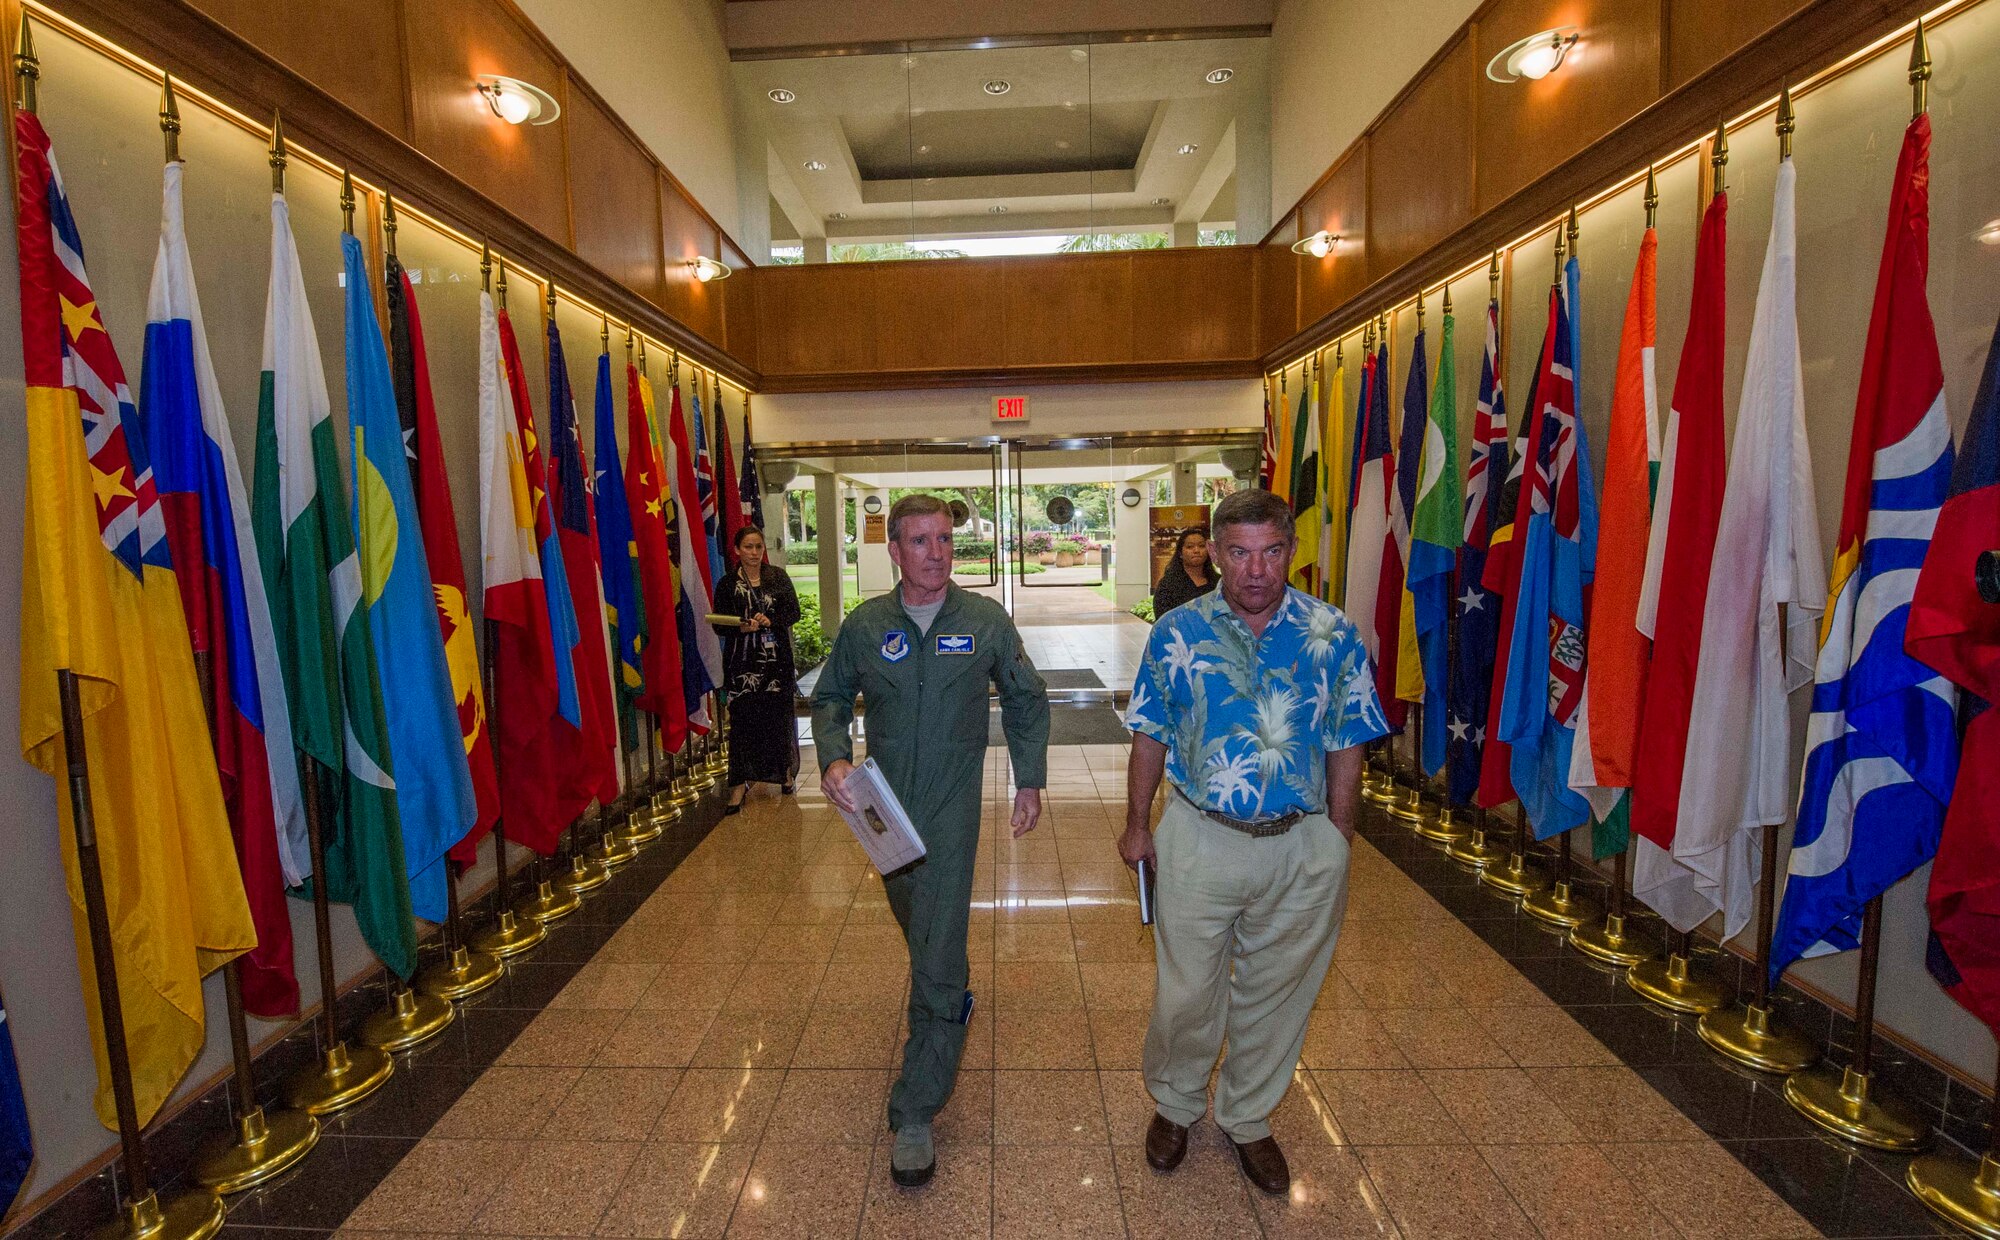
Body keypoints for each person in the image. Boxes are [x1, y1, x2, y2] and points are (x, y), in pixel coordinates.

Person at [1119, 488, 1388, 1195]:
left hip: (1299, 842)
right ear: (1215, 550)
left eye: (1270, 552)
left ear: (1289, 553)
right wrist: (1137, 824)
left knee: (1277, 994)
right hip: (1200, 837)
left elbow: (1347, 740)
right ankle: (1176, 1105)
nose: (1255, 569)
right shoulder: (1176, 631)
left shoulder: (1332, 633)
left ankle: (1247, 1116)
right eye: (1239, 552)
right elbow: (1149, 730)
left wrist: (1339, 839)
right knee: (1186, 994)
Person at [811, 493, 1050, 1189]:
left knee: (940, 948)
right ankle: (940, 997)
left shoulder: (983, 621)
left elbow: (1027, 696)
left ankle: (917, 1107)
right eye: (920, 541)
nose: (938, 553)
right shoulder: (866, 626)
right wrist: (833, 755)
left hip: (950, 808)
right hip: (883, 811)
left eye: (945, 539)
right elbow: (829, 698)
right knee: (921, 930)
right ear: (894, 551)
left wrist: (1028, 779)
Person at [713, 526, 801, 812]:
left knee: (778, 719)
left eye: (758, 547)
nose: (754, 553)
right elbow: (718, 623)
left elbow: (794, 613)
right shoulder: (727, 584)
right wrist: (741, 626)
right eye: (748, 547)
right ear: (737, 550)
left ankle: (784, 775)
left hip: (776, 664)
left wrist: (770, 619)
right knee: (742, 725)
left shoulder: (777, 578)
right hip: (742, 665)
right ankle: (739, 787)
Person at [1151, 528, 1216, 617]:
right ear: (1180, 553)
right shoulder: (1168, 584)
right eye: (1190, 547)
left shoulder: (1219, 582)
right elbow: (1163, 619)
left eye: (1201, 546)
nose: (1196, 550)